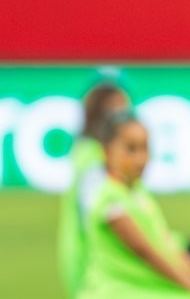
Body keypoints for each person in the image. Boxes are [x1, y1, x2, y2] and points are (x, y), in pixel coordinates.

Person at [76, 111, 190, 298]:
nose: (141, 159)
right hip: (115, 290)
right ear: (107, 151)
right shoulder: (110, 199)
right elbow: (148, 253)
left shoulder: (138, 192)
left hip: (141, 287)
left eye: (145, 148)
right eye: (131, 149)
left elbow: (166, 242)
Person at [58, 82, 131, 297]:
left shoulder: (90, 152)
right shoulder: (94, 159)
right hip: (95, 265)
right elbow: (108, 212)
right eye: (118, 108)